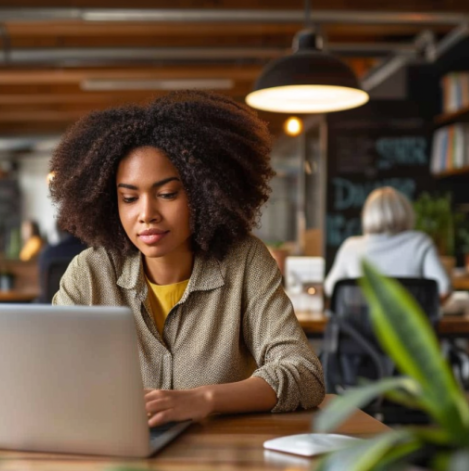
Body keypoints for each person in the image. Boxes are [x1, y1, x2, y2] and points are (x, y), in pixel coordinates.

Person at [50, 91, 325, 428]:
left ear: (202, 192)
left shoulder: (244, 261)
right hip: (119, 459)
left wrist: (204, 399)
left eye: (167, 194)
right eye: (129, 198)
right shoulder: (90, 272)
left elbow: (304, 373)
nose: (146, 214)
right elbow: (48, 373)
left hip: (223, 460)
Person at [323, 187, 452, 298]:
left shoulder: (350, 246)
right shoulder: (420, 242)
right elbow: (443, 288)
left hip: (357, 326)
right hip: (405, 326)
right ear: (406, 212)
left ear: (367, 215)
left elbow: (330, 288)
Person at [37, 224, 87, 303]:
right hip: (81, 307)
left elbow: (43, 287)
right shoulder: (89, 254)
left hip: (50, 306)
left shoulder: (47, 253)